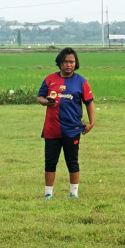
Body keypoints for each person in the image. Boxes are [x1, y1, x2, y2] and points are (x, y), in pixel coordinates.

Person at [37, 47, 95, 199]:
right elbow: (40, 97)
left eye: (71, 62)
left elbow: (89, 102)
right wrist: (45, 102)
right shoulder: (50, 79)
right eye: (65, 62)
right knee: (50, 161)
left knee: (72, 161)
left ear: (76, 63)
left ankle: (73, 193)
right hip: (52, 129)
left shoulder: (81, 82)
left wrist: (91, 122)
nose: (68, 65)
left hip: (72, 129)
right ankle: (48, 194)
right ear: (59, 63)